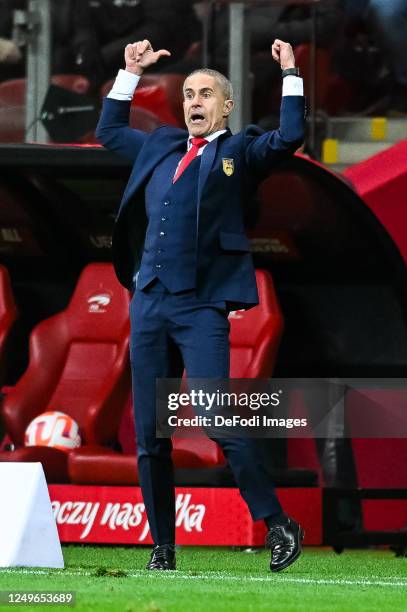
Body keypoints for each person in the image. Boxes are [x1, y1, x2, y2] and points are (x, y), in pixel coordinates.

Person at [96, 38, 305, 572]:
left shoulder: (239, 151)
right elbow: (108, 132)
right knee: (148, 435)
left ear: (225, 106)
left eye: (206, 93)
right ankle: (163, 547)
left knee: (216, 416)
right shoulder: (161, 144)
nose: (194, 100)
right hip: (148, 303)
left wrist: (289, 73)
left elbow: (292, 136)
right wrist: (128, 73)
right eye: (188, 93)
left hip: (201, 307)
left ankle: (278, 522)